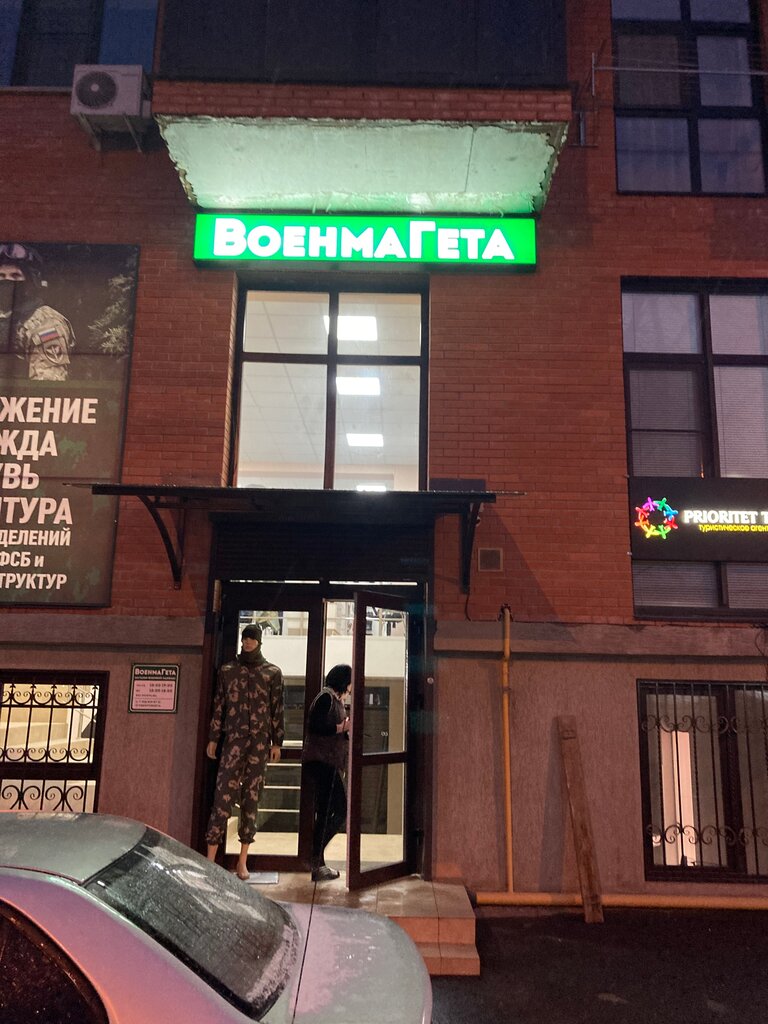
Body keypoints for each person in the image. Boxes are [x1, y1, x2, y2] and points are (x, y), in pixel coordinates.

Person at [205, 623, 285, 881]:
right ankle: (210, 861)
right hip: (233, 741)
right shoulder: (228, 671)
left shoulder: (272, 673)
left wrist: (277, 742)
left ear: (260, 642)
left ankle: (242, 861)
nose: (248, 642)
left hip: (259, 744)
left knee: (252, 800)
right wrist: (213, 738)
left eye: (252, 638)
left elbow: (277, 709)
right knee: (221, 799)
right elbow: (219, 705)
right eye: (245, 638)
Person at [302, 663, 351, 882]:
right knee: (339, 810)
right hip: (323, 762)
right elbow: (316, 727)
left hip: (327, 762)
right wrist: (342, 728)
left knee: (325, 811)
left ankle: (318, 861)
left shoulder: (334, 699)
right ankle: (316, 853)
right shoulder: (325, 698)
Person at [0, 243, 74, 380]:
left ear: (30, 280)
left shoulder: (46, 324)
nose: (7, 281)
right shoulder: (4, 316)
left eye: (15, 275)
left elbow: (46, 386)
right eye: (1, 276)